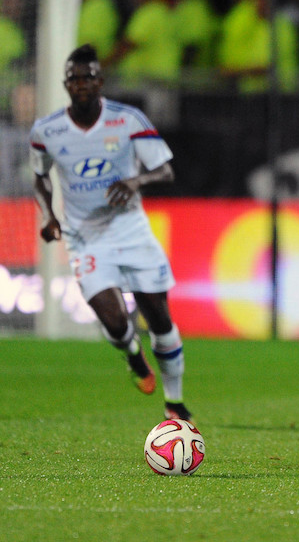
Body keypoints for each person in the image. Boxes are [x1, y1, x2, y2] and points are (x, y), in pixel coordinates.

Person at [30, 44, 190, 421]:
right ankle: (132, 355)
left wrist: (136, 180)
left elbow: (165, 170)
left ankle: (174, 402)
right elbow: (40, 176)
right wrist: (48, 215)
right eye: (74, 79)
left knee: (160, 319)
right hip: (85, 238)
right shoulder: (47, 130)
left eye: (88, 77)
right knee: (116, 323)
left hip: (131, 230)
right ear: (66, 85)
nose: (81, 84)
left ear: (100, 81)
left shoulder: (127, 120)